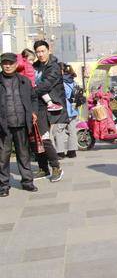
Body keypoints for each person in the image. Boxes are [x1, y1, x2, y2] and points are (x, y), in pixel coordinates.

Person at [0, 53, 39, 197]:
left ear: (16, 64)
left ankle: (27, 182)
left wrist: (33, 112)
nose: (8, 65)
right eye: (5, 63)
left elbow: (34, 98)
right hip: (3, 126)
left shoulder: (24, 81)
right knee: (3, 157)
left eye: (10, 63)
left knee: (24, 154)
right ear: (1, 65)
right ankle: (3, 185)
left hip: (22, 124)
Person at [33, 40, 66, 182]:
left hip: (46, 106)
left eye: (42, 51)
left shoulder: (54, 67)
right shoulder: (35, 66)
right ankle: (43, 168)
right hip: (34, 104)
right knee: (35, 138)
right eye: (38, 52)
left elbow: (46, 85)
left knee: (44, 137)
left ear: (48, 50)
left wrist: (29, 91)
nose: (40, 54)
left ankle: (56, 167)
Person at [52, 64, 80, 158]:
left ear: (61, 71)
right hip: (73, 109)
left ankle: (60, 152)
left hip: (63, 110)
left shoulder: (61, 82)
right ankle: (72, 151)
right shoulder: (72, 81)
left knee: (58, 131)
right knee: (72, 130)